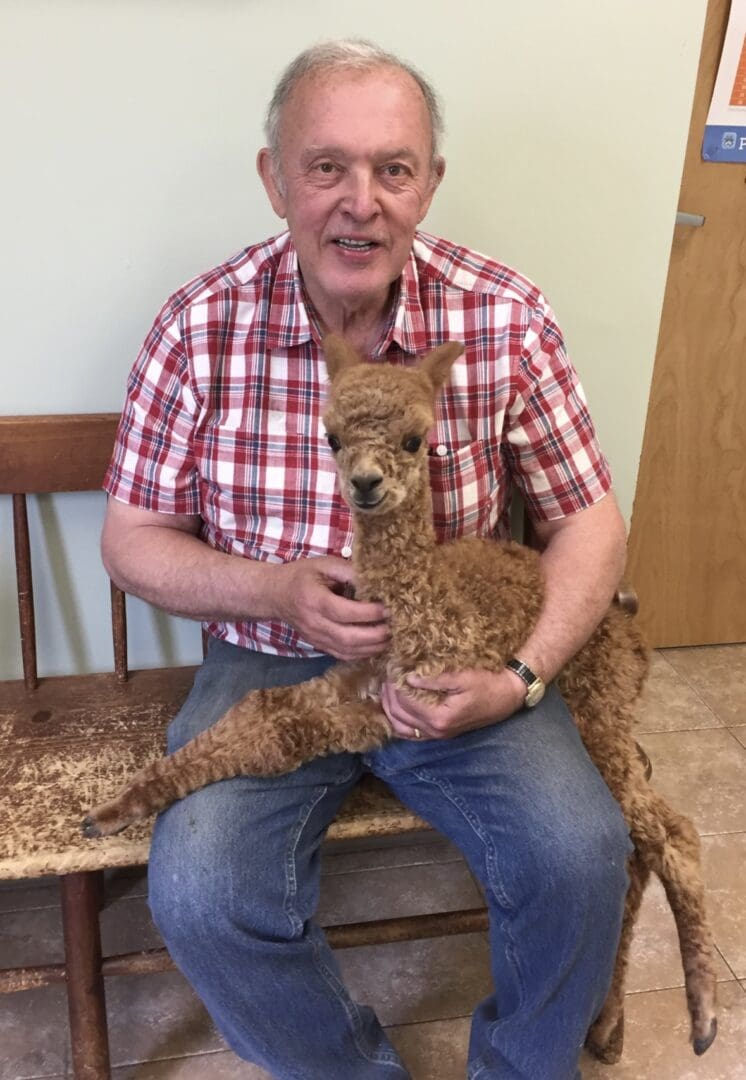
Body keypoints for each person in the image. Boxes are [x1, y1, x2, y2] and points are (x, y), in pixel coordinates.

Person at [102, 39, 632, 1080]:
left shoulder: (503, 317)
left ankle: (523, 1069)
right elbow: (131, 539)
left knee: (580, 851)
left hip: (455, 657)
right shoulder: (198, 326)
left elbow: (588, 523)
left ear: (428, 182)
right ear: (273, 179)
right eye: (325, 166)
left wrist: (519, 678)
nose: (362, 202)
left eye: (393, 168)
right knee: (201, 891)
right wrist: (274, 591)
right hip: (269, 660)